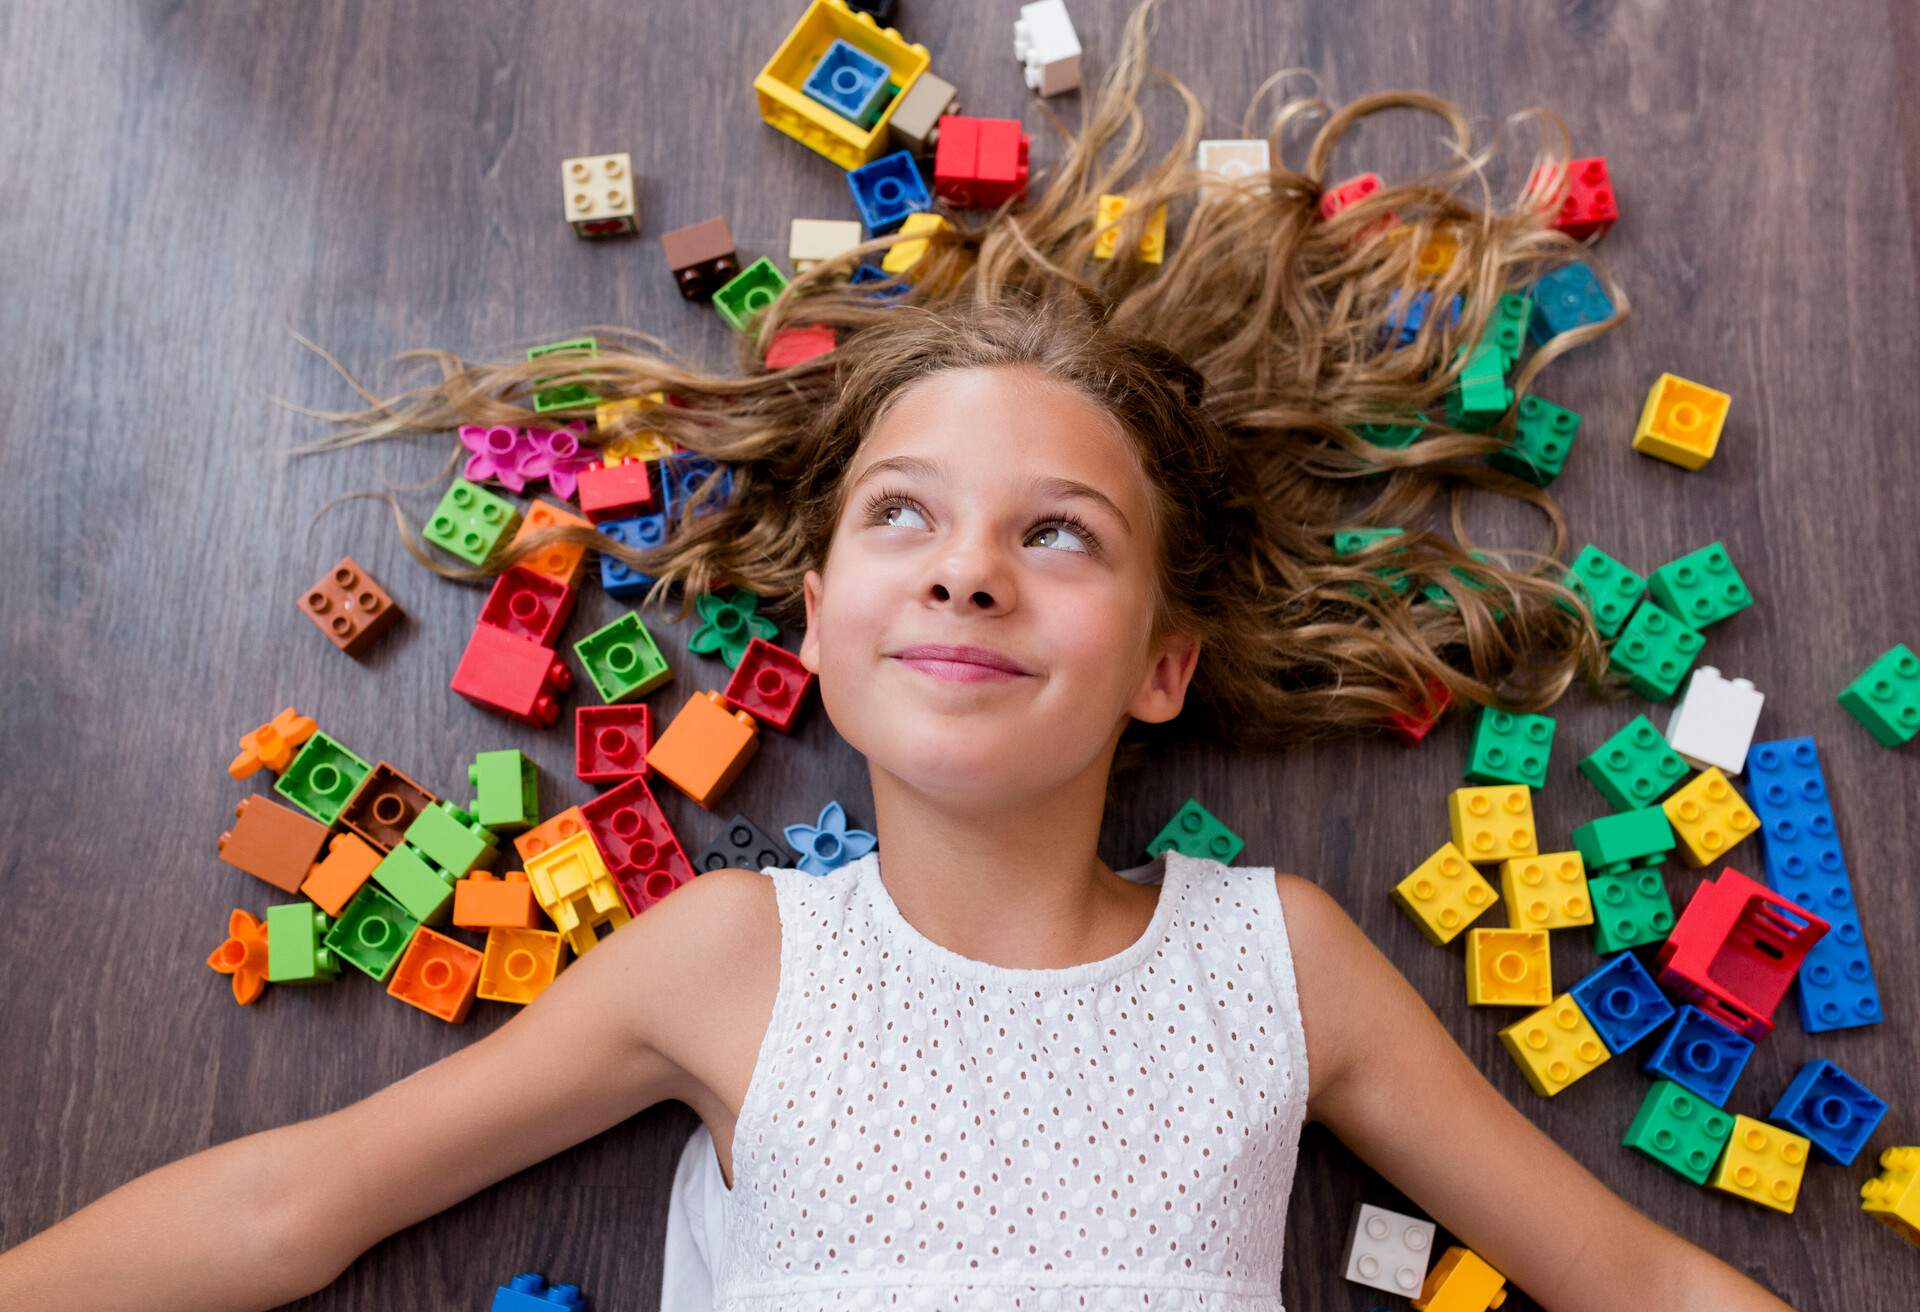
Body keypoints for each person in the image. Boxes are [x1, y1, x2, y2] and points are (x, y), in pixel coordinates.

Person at [0, 2, 1797, 1308]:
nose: (968, 577)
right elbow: (300, 1204)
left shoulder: (1286, 965)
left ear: (1165, 664)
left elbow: (1634, 1284)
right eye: (905, 518)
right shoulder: (726, 955)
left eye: (1059, 534)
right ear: (816, 630)